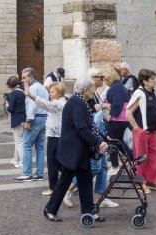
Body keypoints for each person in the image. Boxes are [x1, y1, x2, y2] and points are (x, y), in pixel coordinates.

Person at [44, 76, 108, 222]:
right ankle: (49, 209)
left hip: (79, 151)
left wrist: (103, 137)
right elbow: (82, 128)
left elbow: (89, 125)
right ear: (85, 90)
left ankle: (88, 212)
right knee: (65, 181)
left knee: (85, 182)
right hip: (72, 151)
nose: (93, 91)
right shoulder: (78, 103)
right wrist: (98, 142)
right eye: (92, 89)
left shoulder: (79, 101)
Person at [64, 67, 119, 208]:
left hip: (99, 131)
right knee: (94, 167)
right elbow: (86, 121)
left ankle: (101, 196)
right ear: (91, 79)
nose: (102, 79)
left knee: (103, 168)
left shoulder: (95, 94)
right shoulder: (85, 98)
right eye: (99, 77)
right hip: (92, 136)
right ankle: (69, 190)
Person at [24, 82, 67, 195]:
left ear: (59, 93)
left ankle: (54, 187)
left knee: (53, 163)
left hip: (55, 136)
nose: (50, 94)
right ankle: (67, 182)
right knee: (58, 162)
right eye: (50, 92)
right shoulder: (62, 101)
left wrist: (31, 95)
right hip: (56, 135)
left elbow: (45, 105)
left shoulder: (58, 103)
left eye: (52, 92)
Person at [127, 69, 156, 192]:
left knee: (155, 156)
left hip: (152, 131)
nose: (154, 81)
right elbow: (128, 112)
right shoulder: (139, 93)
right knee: (141, 158)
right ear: (144, 81)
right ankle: (141, 182)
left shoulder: (153, 93)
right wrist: (137, 128)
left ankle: (151, 180)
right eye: (152, 79)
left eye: (154, 78)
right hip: (142, 131)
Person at [15, 68, 49, 182]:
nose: (22, 80)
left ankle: (27, 173)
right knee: (40, 147)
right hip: (44, 118)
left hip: (35, 119)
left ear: (32, 77)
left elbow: (32, 105)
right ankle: (39, 174)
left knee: (26, 145)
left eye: (24, 77)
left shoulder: (33, 88)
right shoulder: (42, 87)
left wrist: (28, 120)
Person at [105, 68, 134, 176]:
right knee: (119, 141)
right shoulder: (120, 86)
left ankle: (115, 165)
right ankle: (131, 158)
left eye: (107, 80)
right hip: (123, 119)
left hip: (117, 119)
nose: (106, 82)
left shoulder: (115, 88)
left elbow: (116, 105)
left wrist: (105, 106)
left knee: (112, 141)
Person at [6, 76, 26, 168]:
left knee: (19, 141)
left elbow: (11, 109)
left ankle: (22, 162)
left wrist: (7, 105)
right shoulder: (23, 90)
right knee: (19, 141)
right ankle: (15, 160)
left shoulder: (13, 94)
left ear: (10, 85)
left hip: (16, 119)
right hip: (24, 118)